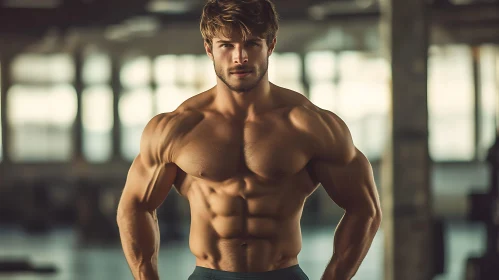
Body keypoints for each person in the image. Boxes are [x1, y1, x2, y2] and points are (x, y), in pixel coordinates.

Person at [116, 0, 382, 279]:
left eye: (252, 44)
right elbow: (134, 206)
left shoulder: (310, 125)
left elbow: (365, 209)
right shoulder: (177, 128)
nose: (239, 56)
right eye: (226, 45)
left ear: (271, 45)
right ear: (209, 49)